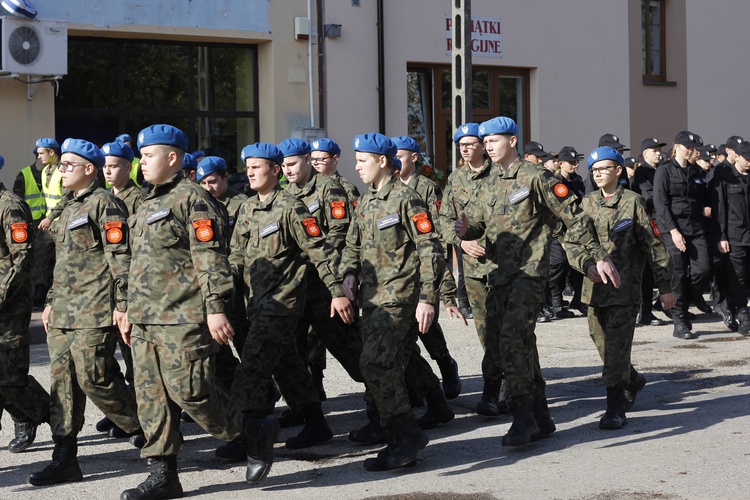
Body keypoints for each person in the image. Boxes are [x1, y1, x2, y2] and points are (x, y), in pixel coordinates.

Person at [123, 125, 279, 498]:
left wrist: (215, 309)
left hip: (184, 316)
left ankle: (254, 434)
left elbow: (209, 258)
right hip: (145, 317)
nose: (141, 163)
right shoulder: (145, 202)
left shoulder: (193, 200)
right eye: (141, 156)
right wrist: (126, 308)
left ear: (172, 158)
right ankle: (164, 474)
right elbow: (136, 263)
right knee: (151, 398)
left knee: (192, 393)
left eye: (148, 156)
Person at [455, 116, 620, 447]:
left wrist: (594, 256)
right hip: (498, 275)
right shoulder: (488, 182)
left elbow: (573, 217)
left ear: (512, 141)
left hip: (529, 275)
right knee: (518, 346)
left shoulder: (536, 177)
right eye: (484, 141)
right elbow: (478, 223)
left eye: (494, 140)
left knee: (514, 340)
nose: (487, 145)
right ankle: (542, 418)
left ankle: (524, 418)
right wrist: (464, 231)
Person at [28, 139, 143, 487]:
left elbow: (121, 259)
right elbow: (63, 264)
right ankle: (64, 457)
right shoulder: (67, 207)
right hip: (64, 311)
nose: (60, 171)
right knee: (62, 385)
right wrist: (49, 301)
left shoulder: (105, 205)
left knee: (95, 379)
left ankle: (151, 427)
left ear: (88, 169)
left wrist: (123, 306)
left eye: (67, 165)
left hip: (95, 310)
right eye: (60, 165)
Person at [340, 133, 445, 471]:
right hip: (371, 300)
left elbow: (431, 247)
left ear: (382, 161)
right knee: (390, 363)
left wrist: (429, 297)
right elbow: (351, 246)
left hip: (399, 297)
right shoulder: (367, 201)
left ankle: (405, 434)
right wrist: (348, 274)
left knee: (375, 363)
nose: (356, 167)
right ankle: (407, 428)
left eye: (362, 161)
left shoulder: (407, 199)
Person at [570, 147, 674, 429]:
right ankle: (633, 378)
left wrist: (665, 287)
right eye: (594, 170)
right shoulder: (586, 203)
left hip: (625, 291)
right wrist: (585, 265)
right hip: (593, 291)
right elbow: (572, 242)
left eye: (604, 168)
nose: (598, 173)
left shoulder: (633, 202)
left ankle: (615, 407)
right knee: (602, 344)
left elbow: (654, 247)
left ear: (618, 170)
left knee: (615, 349)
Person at [392, 135, 463, 426]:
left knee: (427, 328)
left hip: (423, 268)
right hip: (397, 274)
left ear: (414, 158)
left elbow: (434, 238)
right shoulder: (386, 189)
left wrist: (446, 289)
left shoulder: (426, 187)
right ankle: (416, 387)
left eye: (402, 155)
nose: (397, 160)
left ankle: (446, 365)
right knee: (405, 334)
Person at [440, 123, 508, 416]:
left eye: (470, 143)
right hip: (476, 269)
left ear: (483, 146)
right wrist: (461, 242)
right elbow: (444, 221)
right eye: (460, 145)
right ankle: (496, 389)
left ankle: (508, 390)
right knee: (487, 332)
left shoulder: (501, 174)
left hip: (506, 265)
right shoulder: (456, 179)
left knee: (512, 332)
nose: (465, 149)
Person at [91, 140, 146, 437]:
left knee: (133, 355)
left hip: (128, 286)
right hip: (102, 288)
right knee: (103, 355)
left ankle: (140, 415)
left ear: (128, 166)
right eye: (105, 166)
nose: (108, 171)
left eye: (114, 166)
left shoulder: (138, 199)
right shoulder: (99, 199)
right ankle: (120, 409)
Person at [0, 153, 51, 454]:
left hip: (9, 305)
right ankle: (23, 415)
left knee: (10, 378)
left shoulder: (10, 206)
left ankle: (53, 418)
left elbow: (21, 259)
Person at [195, 156, 248, 394]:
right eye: (203, 183)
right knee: (217, 345)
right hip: (213, 284)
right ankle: (233, 391)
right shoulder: (200, 205)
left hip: (237, 283)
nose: (209, 188)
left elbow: (245, 247)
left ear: (226, 177)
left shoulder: (242, 204)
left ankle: (260, 395)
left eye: (213, 181)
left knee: (245, 343)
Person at [653, 131, 711, 340]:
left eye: (694, 148)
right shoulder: (664, 171)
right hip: (673, 228)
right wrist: (674, 231)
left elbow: (702, 200)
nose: (693, 151)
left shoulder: (696, 172)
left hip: (696, 227)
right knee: (677, 272)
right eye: (689, 147)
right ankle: (679, 320)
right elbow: (661, 204)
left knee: (703, 269)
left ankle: (684, 301)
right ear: (678, 146)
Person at [631, 137, 668, 327]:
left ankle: (663, 305)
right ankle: (644, 312)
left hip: (663, 223)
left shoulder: (662, 170)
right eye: (654, 150)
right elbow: (649, 196)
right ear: (645, 154)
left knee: (663, 268)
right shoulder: (642, 173)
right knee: (647, 272)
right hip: (648, 225)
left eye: (659, 150)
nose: (658, 153)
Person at [715, 141, 750, 336]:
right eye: (747, 159)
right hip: (734, 235)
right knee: (738, 276)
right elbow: (720, 210)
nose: (749, 163)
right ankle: (743, 314)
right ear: (737, 157)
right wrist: (721, 236)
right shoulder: (726, 178)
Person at [547, 146, 586, 319]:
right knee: (559, 265)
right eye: (571, 162)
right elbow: (554, 213)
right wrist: (562, 237)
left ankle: (578, 300)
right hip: (558, 232)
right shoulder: (555, 182)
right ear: (560, 163)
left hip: (577, 230)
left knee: (580, 266)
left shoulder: (577, 180)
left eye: (576, 162)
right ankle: (554, 302)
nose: (575, 165)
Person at [310, 138, 361, 207]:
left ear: (334, 159)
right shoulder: (308, 186)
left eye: (319, 159)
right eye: (312, 159)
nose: (314, 163)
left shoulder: (346, 188)